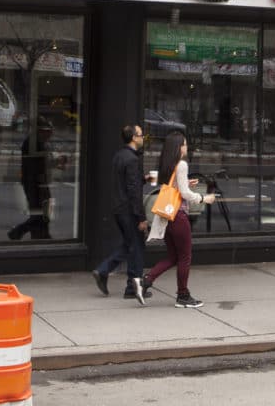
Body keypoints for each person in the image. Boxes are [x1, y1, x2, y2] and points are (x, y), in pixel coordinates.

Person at [142, 130, 214, 308]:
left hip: (167, 216)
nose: (186, 147)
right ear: (178, 147)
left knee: (174, 256)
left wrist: (186, 183)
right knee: (185, 257)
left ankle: (146, 281)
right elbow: (184, 194)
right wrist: (204, 198)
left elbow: (171, 186)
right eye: (184, 144)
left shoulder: (167, 164)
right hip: (178, 215)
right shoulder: (181, 165)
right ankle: (183, 295)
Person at [92, 125, 150, 303]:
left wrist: (143, 179)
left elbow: (125, 181)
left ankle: (103, 270)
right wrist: (141, 217)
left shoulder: (119, 156)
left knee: (129, 244)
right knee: (137, 246)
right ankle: (133, 287)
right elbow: (133, 191)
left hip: (119, 207)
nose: (143, 138)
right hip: (129, 210)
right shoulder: (132, 159)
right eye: (141, 135)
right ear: (133, 137)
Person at [8, 117, 54, 240]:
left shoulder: (37, 142)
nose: (50, 134)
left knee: (44, 213)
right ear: (40, 131)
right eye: (47, 131)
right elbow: (38, 165)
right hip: (36, 184)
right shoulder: (34, 143)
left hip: (38, 183)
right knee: (40, 214)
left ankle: (40, 236)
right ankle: (18, 232)